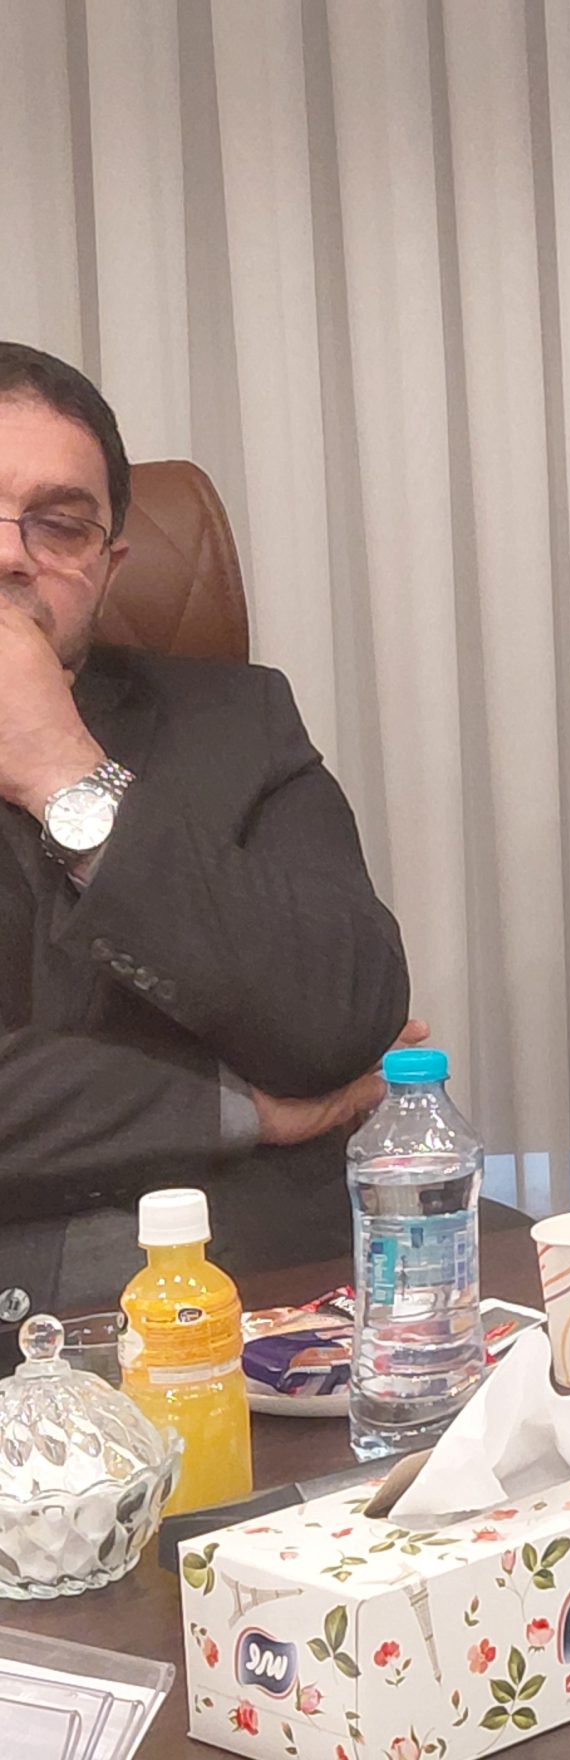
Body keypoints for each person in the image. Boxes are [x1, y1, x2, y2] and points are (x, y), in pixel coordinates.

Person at [0, 343, 413, 1350]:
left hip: (279, 1257)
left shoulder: (235, 717)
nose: (13, 556)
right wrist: (237, 1105)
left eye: (61, 524)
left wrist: (65, 772)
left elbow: (345, 1015)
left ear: (109, 568)